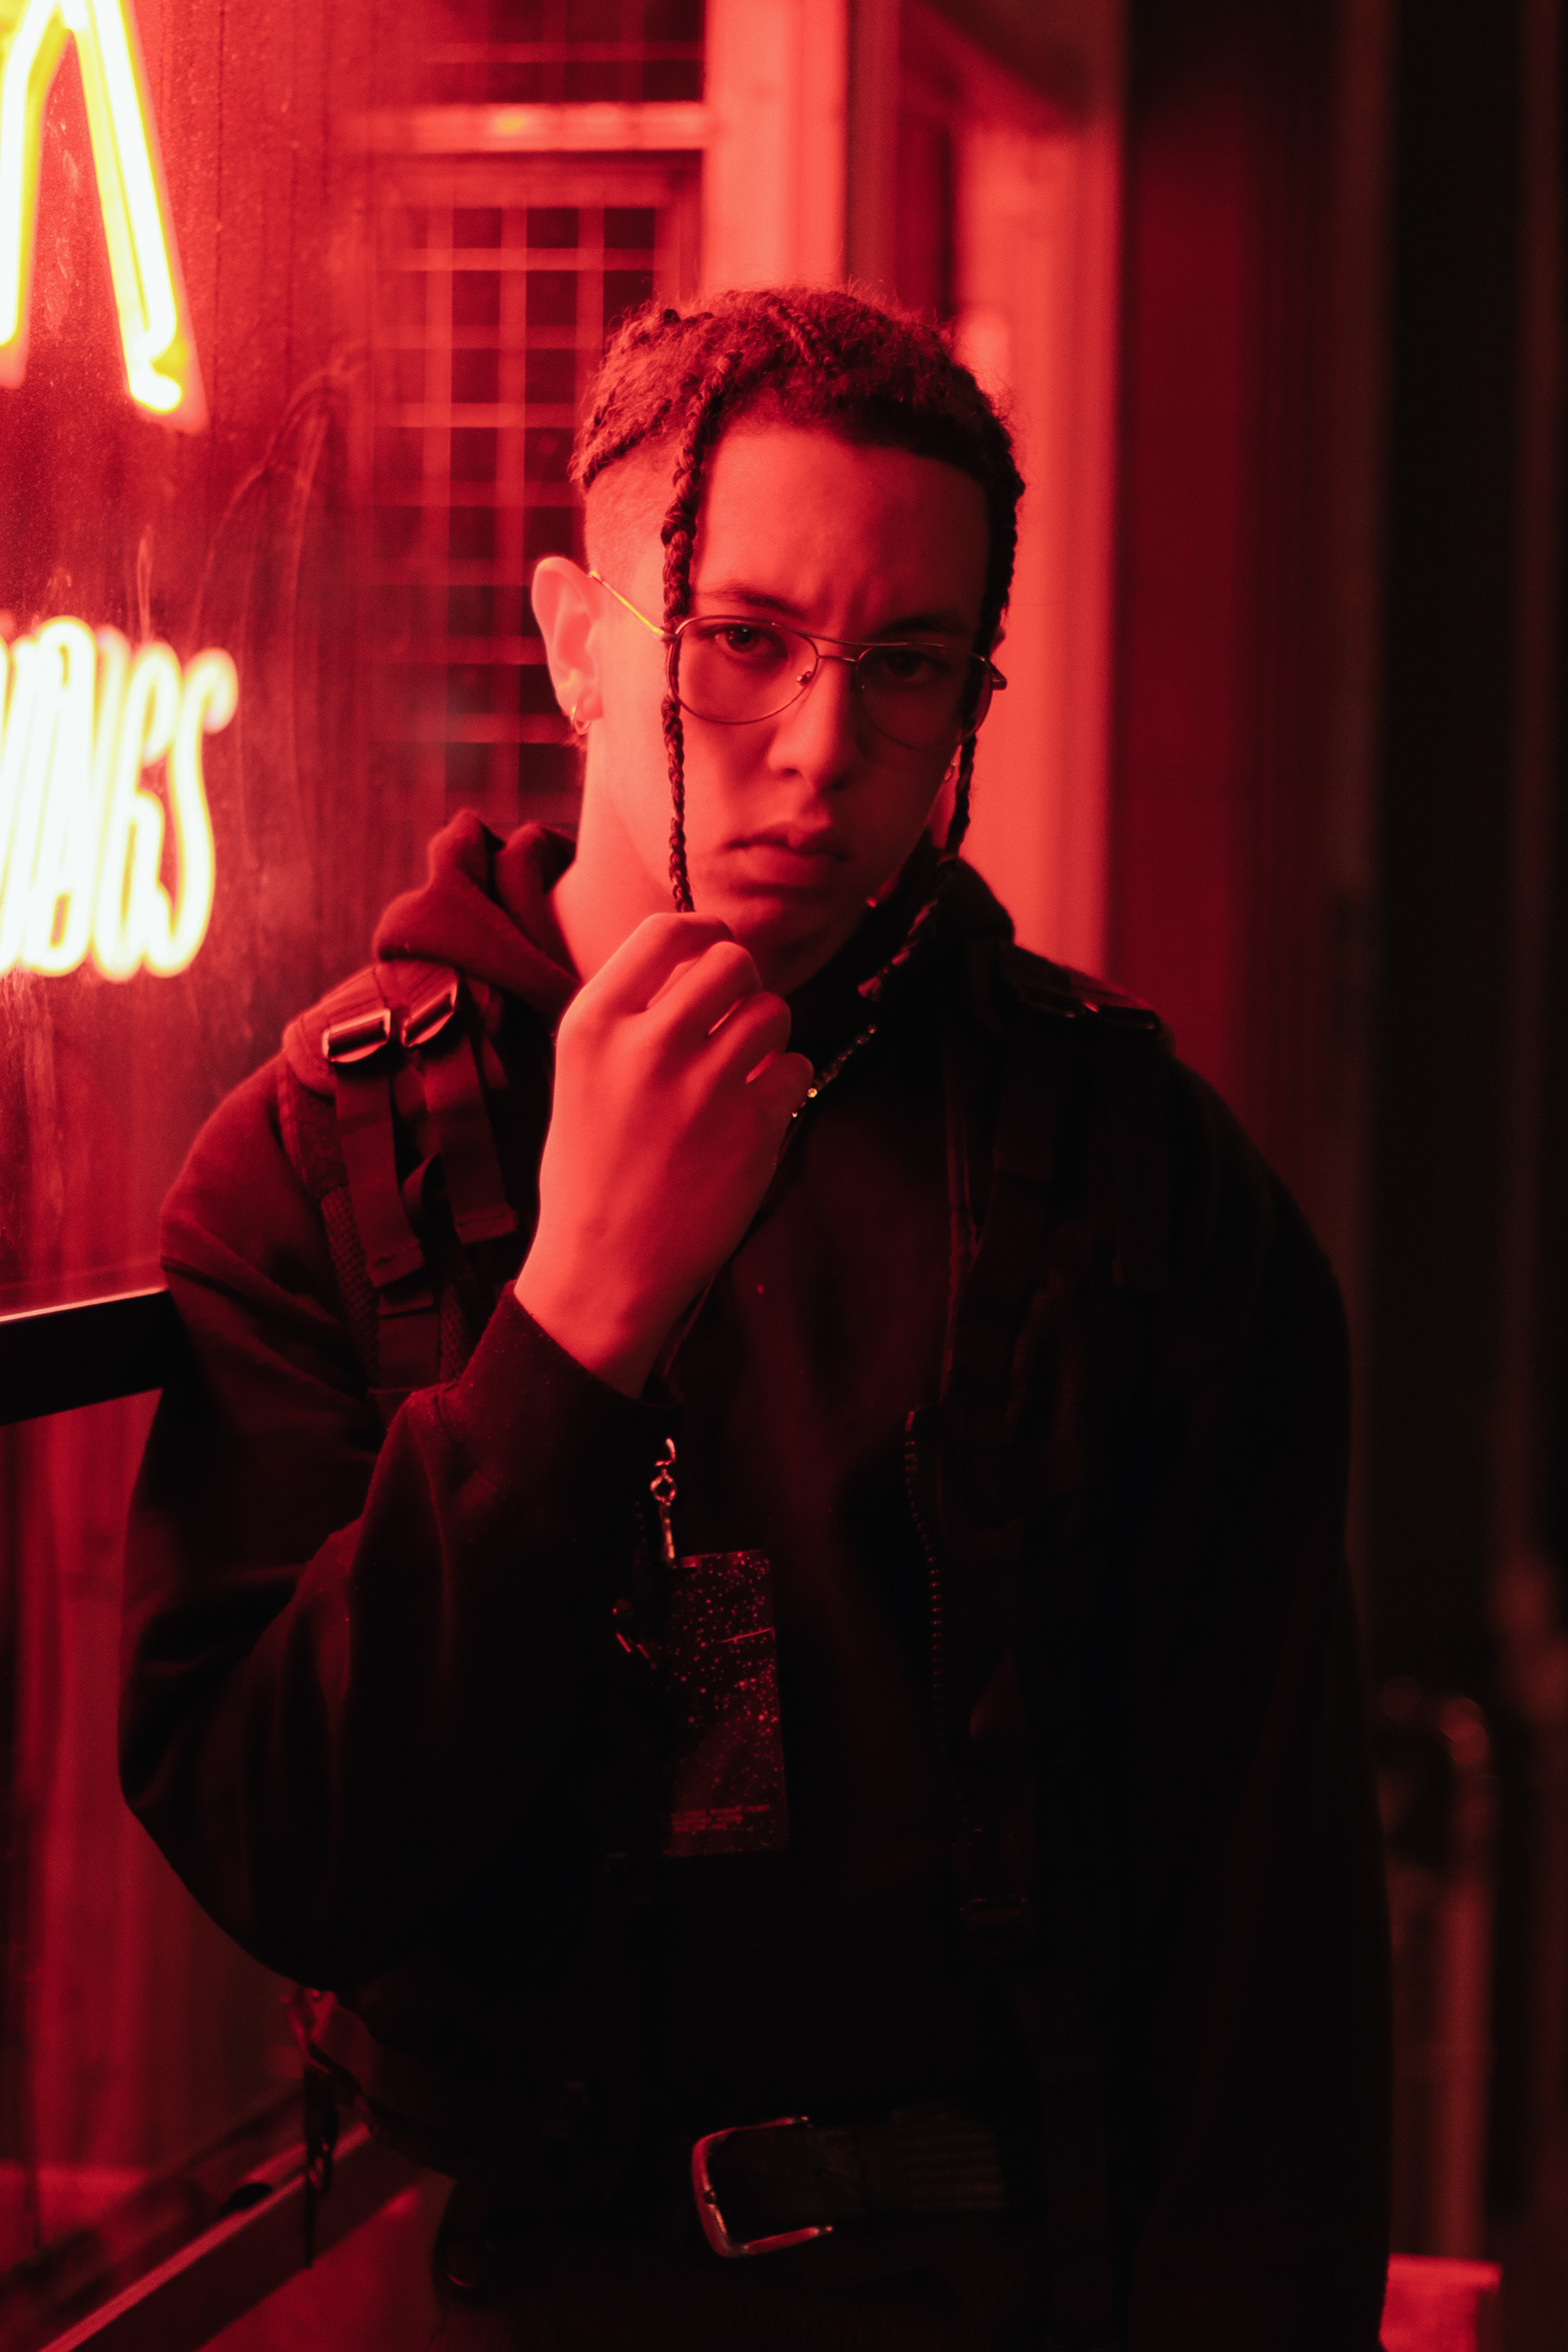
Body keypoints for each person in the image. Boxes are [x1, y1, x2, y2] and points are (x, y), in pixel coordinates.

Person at [119, 287, 1392, 2350]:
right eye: (740, 640)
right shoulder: (325, 1160)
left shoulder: (1139, 1183)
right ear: (574, 641)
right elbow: (289, 1854)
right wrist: (574, 1326)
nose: (818, 750)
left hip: (1003, 2291)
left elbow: (1266, 1962)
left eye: (908, 668)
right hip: (473, 2288)